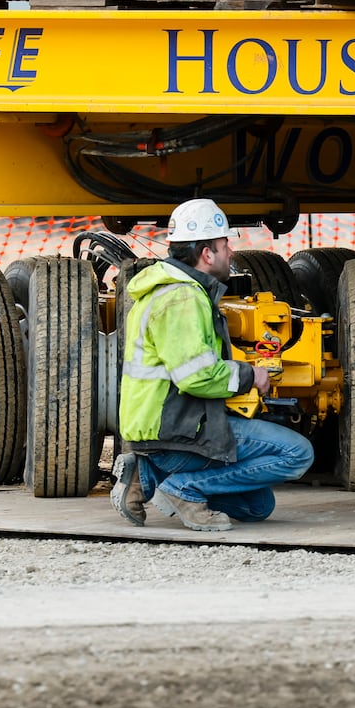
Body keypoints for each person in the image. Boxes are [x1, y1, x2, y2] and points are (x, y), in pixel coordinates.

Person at [110, 198, 315, 531]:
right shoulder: (182, 298)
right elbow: (197, 376)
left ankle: (145, 475)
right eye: (224, 245)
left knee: (258, 505)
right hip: (175, 429)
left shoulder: (167, 290)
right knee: (297, 454)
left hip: (162, 425)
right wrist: (251, 375)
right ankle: (183, 489)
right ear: (207, 254)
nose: (230, 252)